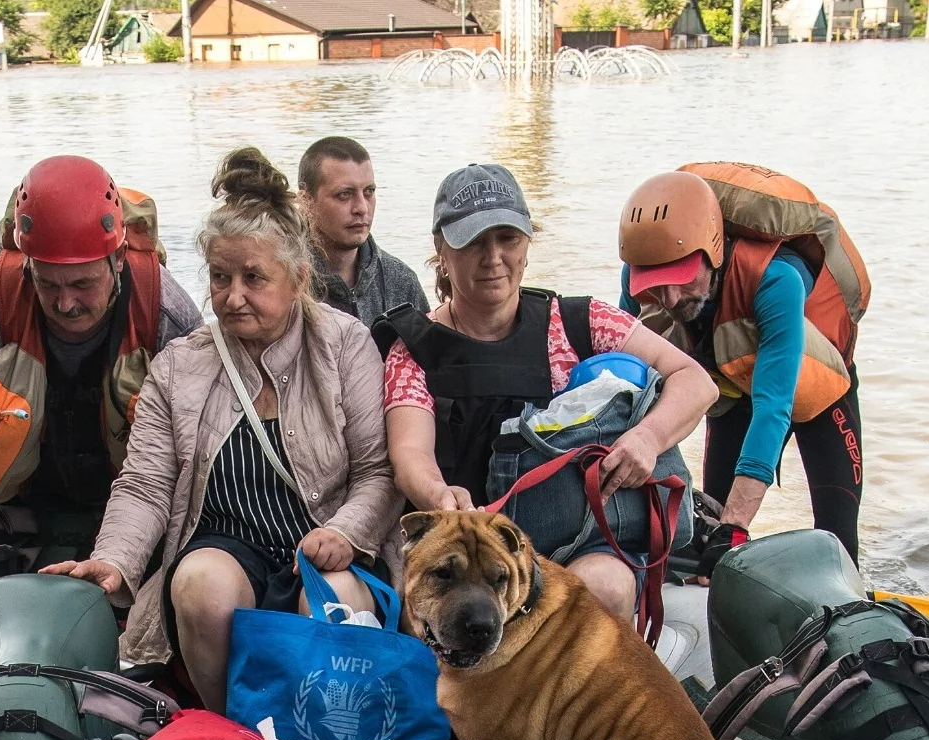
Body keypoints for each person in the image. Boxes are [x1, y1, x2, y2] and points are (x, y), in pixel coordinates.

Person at [45, 147, 400, 713]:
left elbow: (379, 472)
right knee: (200, 586)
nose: (233, 296)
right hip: (227, 547)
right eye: (219, 277)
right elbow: (145, 485)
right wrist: (114, 560)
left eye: (253, 277)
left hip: (326, 546)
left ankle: (327, 739)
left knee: (329, 599)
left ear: (298, 277)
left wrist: (348, 533)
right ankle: (232, 730)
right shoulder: (180, 366)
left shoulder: (345, 344)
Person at [378, 164, 716, 623]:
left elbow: (695, 382)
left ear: (528, 244)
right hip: (469, 551)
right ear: (441, 248)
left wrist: (647, 439)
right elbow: (409, 456)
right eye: (474, 242)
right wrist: (439, 495)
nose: (493, 258)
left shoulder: (582, 322)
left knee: (605, 585)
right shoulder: (413, 349)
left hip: (577, 545)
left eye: (508, 239)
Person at [0, 155, 202, 642]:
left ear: (117, 261)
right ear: (26, 264)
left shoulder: (169, 316)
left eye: (83, 283)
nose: (66, 303)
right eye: (47, 283)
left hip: (139, 505)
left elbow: (203, 467)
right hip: (29, 505)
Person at [619, 166, 869, 562]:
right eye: (654, 282)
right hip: (734, 390)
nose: (667, 298)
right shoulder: (640, 274)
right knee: (708, 536)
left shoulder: (776, 279)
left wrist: (736, 525)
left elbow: (774, 405)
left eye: (681, 277)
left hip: (812, 390)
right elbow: (622, 380)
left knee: (837, 543)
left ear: (712, 252)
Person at [297, 134, 429, 325]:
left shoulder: (401, 282)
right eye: (344, 194)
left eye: (369, 192)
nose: (362, 208)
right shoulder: (284, 281)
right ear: (306, 200)